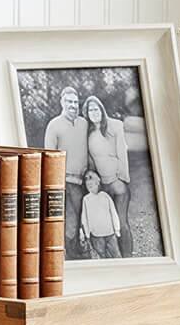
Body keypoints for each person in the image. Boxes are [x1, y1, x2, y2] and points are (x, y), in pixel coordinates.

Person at [43, 85, 90, 251]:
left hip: (86, 181)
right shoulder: (54, 125)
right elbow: (49, 157)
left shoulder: (84, 123)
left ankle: (78, 248)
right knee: (71, 220)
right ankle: (72, 255)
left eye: (76, 102)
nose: (73, 105)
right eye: (69, 101)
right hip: (67, 181)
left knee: (83, 218)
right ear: (61, 102)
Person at [84, 96, 132, 256]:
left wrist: (123, 178)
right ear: (87, 113)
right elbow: (91, 160)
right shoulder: (88, 132)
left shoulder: (115, 126)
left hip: (117, 182)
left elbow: (122, 153)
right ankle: (115, 257)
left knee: (122, 223)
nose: (94, 112)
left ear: (102, 109)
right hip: (102, 184)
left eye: (96, 108)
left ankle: (128, 258)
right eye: (90, 110)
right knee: (109, 223)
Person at [78, 173, 122, 259]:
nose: (89, 187)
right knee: (101, 256)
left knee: (116, 255)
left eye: (91, 184)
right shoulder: (86, 199)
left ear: (98, 183)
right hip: (96, 235)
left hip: (110, 233)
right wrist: (86, 233)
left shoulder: (105, 196)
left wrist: (117, 229)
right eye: (88, 185)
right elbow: (84, 217)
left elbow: (113, 213)